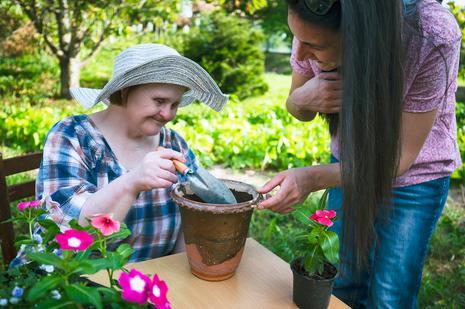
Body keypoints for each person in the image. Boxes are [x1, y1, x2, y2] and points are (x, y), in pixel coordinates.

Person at [257, 0, 461, 308]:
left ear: (358, 37)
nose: (299, 55)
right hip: (348, 166)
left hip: (416, 177)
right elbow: (296, 107)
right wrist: (302, 99)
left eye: (314, 46)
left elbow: (400, 159)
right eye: (297, 41)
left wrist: (311, 178)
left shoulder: (429, 34)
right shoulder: (315, 18)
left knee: (390, 296)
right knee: (343, 279)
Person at [32, 44, 228, 263]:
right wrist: (132, 182)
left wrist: (183, 272)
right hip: (79, 282)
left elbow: (192, 218)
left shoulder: (174, 144)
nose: (168, 114)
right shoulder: (73, 136)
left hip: (156, 282)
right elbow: (69, 231)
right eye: (159, 101)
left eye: (175, 104)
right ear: (125, 91)